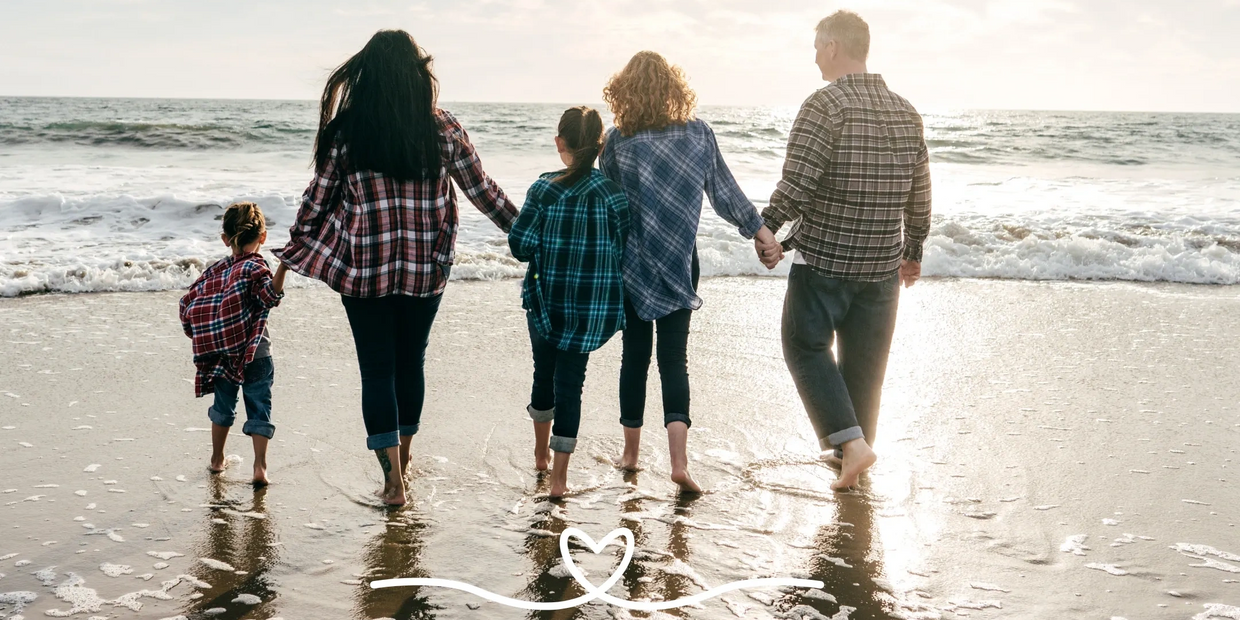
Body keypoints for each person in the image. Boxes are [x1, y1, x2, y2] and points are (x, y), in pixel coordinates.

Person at [275, 30, 518, 506]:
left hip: (364, 272)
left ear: (367, 76)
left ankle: (393, 483)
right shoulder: (442, 127)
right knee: (411, 362)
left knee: (377, 371)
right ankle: (404, 460)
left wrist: (290, 252)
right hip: (427, 270)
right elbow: (483, 191)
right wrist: (530, 233)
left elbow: (317, 202)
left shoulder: (347, 133)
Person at [757, 11, 932, 490]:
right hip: (880, 266)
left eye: (817, 47)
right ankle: (852, 460)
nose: (815, 57)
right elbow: (920, 191)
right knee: (865, 367)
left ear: (833, 46)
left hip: (826, 262)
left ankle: (850, 447)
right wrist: (913, 248)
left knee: (804, 345)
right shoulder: (906, 110)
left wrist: (767, 227)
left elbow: (798, 181)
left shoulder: (824, 106)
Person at [600, 51, 781, 493]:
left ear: (625, 93)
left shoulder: (618, 141)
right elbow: (724, 193)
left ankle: (630, 455)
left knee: (635, 358)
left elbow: (610, 205)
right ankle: (679, 463)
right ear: (673, 89)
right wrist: (760, 230)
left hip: (633, 266)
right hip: (681, 262)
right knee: (674, 360)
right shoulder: (698, 134)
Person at [509, 106, 630, 498]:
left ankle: (541, 456)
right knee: (571, 386)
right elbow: (622, 247)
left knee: (543, 375)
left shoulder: (543, 189)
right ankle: (559, 479)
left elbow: (520, 246)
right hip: (590, 309)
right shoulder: (613, 195)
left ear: (559, 143)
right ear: (600, 146)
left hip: (546, 304)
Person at [180, 201, 288, 486]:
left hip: (221, 354)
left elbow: (189, 303)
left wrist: (203, 335)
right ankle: (260, 466)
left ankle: (217, 460)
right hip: (256, 353)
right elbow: (270, 296)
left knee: (223, 406)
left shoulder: (215, 272)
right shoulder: (257, 265)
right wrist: (284, 268)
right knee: (259, 406)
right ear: (262, 237)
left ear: (225, 239)